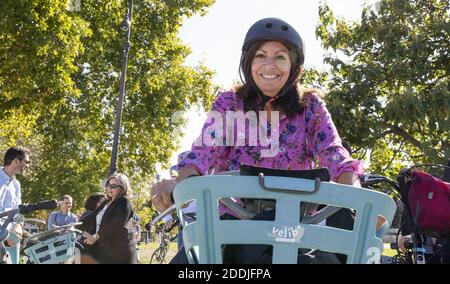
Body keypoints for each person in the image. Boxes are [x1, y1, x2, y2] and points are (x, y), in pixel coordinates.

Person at [152, 18, 365, 263]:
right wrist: (178, 183)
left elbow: (334, 154)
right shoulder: (230, 103)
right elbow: (202, 152)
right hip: (232, 232)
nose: (269, 65)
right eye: (260, 55)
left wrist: (356, 195)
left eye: (280, 57)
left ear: (294, 65)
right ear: (248, 61)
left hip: (296, 232)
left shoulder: (311, 107)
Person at [79, 173, 136, 264]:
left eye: (113, 186)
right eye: (108, 185)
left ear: (123, 187)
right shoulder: (106, 202)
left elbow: (116, 224)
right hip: (106, 249)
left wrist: (95, 236)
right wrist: (74, 225)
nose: (110, 188)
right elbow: (91, 217)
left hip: (120, 252)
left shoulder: (124, 201)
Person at [0, 146, 30, 263]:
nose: (28, 165)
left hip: (10, 231)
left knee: (36, 244)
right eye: (26, 162)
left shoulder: (16, 185)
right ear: (16, 161)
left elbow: (18, 210)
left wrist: (18, 225)